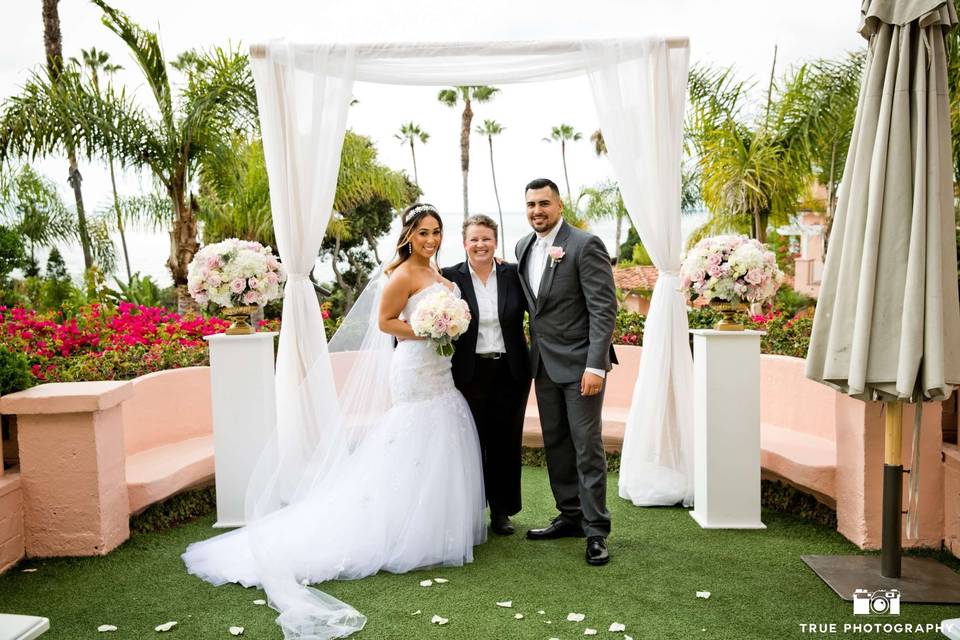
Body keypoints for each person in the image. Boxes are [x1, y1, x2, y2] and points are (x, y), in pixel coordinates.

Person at [182, 203, 486, 640]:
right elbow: (384, 323)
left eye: (436, 232)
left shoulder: (441, 277)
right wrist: (428, 330)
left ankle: (433, 528)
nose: (431, 240)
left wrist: (450, 326)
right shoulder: (400, 275)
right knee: (414, 437)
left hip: (441, 371)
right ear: (407, 236)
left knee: (443, 434)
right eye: (422, 233)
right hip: (414, 371)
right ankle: (399, 531)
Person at [515, 178, 618, 566]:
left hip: (581, 367)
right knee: (555, 444)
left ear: (559, 206)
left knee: (586, 447)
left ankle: (596, 530)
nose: (537, 211)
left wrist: (596, 365)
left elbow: (603, 309)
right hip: (542, 364)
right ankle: (570, 515)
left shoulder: (584, 245)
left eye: (544, 203)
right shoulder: (523, 247)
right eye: (530, 205)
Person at [441, 214, 531, 536]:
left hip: (511, 371)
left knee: (505, 444)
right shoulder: (448, 278)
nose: (481, 244)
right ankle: (470, 512)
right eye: (474, 239)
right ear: (464, 243)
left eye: (487, 239)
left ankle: (502, 512)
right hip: (468, 374)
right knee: (471, 444)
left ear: (496, 241)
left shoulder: (513, 274)